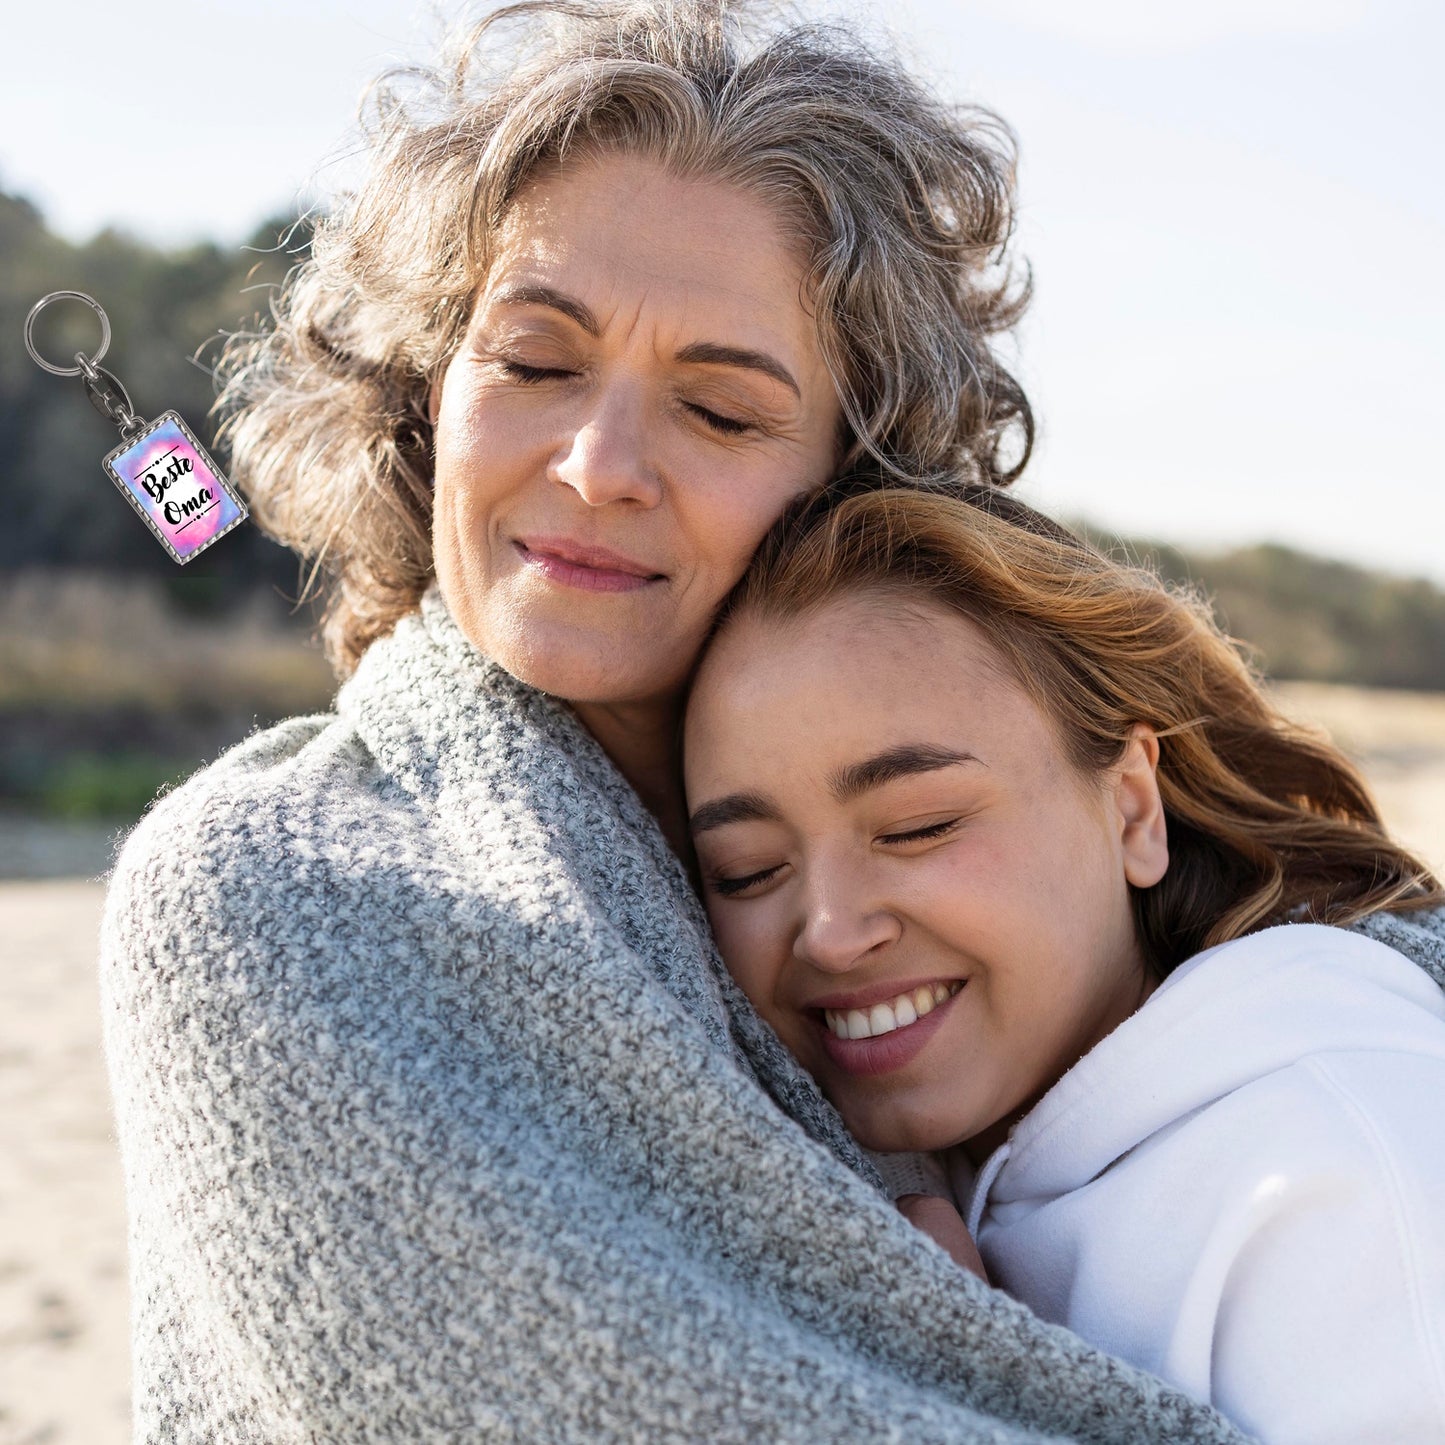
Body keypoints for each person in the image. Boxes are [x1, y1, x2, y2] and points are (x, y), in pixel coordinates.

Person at [95, 2, 1266, 1441]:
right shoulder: (262, 891)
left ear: (858, 475)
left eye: (717, 409)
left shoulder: (1046, 879)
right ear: (422, 398)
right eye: (533, 361)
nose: (597, 467)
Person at [682, 481, 1445, 1445]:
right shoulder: (898, 1152)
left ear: (1131, 808)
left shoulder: (1349, 1185)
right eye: (745, 871)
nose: (829, 931)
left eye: (919, 826)